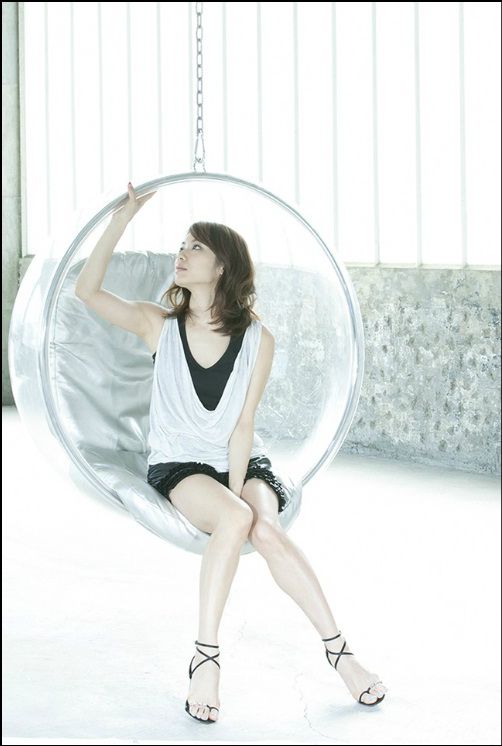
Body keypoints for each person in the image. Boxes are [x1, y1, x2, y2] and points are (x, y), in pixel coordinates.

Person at [75, 182, 388, 724]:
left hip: (241, 460)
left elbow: (244, 425)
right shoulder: (158, 324)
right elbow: (87, 290)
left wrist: (234, 487)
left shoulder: (259, 340)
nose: (181, 253)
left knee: (265, 529)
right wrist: (120, 220)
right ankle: (205, 658)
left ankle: (342, 654)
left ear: (222, 266)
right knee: (238, 518)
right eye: (182, 245)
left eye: (195, 247)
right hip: (180, 464)